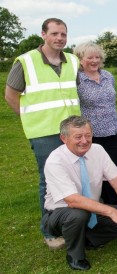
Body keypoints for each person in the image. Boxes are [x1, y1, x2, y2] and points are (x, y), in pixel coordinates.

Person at [4, 18, 80, 249]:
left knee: (74, 177)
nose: (59, 38)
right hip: (44, 133)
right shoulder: (25, 61)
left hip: (72, 131)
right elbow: (10, 95)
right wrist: (28, 118)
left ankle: (74, 223)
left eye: (63, 34)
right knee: (49, 182)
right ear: (43, 35)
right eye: (55, 33)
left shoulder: (73, 60)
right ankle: (49, 232)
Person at [43, 115, 117, 271]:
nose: (84, 141)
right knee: (78, 214)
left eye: (88, 135)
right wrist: (110, 211)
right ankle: (75, 256)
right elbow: (73, 201)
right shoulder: (55, 161)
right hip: (60, 213)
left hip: (92, 209)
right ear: (64, 138)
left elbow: (115, 180)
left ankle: (87, 238)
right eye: (78, 137)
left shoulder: (98, 150)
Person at [74, 41, 117, 205]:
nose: (94, 61)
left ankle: (115, 205)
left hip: (114, 130)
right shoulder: (77, 80)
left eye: (97, 57)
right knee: (95, 173)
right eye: (90, 57)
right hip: (92, 134)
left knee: (114, 170)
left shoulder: (108, 76)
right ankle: (97, 205)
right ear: (80, 59)